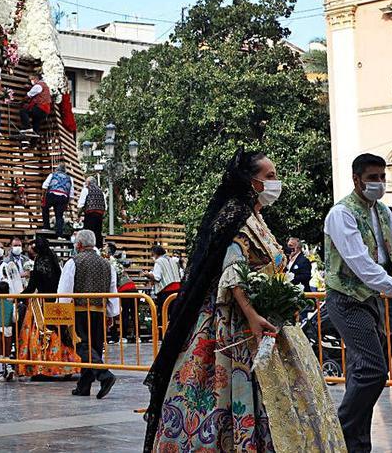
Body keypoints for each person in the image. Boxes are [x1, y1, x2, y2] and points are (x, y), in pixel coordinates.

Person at [143, 150, 345, 452]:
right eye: (270, 177)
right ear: (252, 183)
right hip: (236, 326)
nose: (277, 182)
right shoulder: (236, 216)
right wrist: (251, 314)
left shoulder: (257, 218)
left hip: (270, 322)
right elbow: (232, 270)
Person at [323, 152, 392, 453]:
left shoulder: (384, 213)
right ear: (357, 179)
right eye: (373, 178)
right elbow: (361, 264)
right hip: (345, 300)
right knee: (373, 369)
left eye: (383, 177)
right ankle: (339, 432)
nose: (379, 183)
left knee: (363, 373)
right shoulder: (341, 214)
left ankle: (357, 445)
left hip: (372, 300)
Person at [58, 230, 118, 399]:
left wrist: (62, 311)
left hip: (80, 311)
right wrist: (111, 313)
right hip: (99, 311)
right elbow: (112, 290)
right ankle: (83, 386)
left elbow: (65, 289)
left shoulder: (73, 262)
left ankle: (104, 376)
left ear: (79, 245)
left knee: (82, 345)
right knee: (95, 348)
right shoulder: (107, 264)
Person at [16, 234, 80, 379]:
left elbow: (32, 287)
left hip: (42, 303)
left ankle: (44, 368)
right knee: (61, 332)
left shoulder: (38, 263)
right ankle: (66, 366)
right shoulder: (53, 260)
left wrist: (17, 297)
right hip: (57, 301)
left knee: (42, 334)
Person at [107, 243, 138, 342]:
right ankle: (137, 336)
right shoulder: (117, 262)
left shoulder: (110, 262)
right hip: (133, 287)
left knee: (124, 313)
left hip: (124, 289)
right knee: (134, 313)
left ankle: (123, 336)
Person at [147, 244, 182, 322]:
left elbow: (157, 277)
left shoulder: (159, 261)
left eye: (152, 254)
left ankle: (162, 333)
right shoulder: (172, 260)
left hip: (166, 291)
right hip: (177, 289)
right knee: (174, 314)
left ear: (155, 253)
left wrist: (148, 274)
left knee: (163, 315)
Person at [41, 163, 73, 236]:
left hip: (52, 195)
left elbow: (44, 186)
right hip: (63, 197)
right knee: (59, 215)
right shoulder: (69, 178)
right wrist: (67, 203)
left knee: (45, 207)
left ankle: (46, 227)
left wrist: (43, 196)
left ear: (57, 169)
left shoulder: (52, 175)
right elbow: (71, 194)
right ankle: (59, 233)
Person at [77, 177, 107, 247]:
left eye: (85, 182)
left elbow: (81, 204)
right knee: (97, 234)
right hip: (99, 215)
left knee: (88, 234)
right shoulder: (101, 191)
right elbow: (105, 206)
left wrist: (78, 215)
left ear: (88, 183)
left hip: (90, 214)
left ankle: (87, 249)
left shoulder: (86, 189)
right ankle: (98, 250)